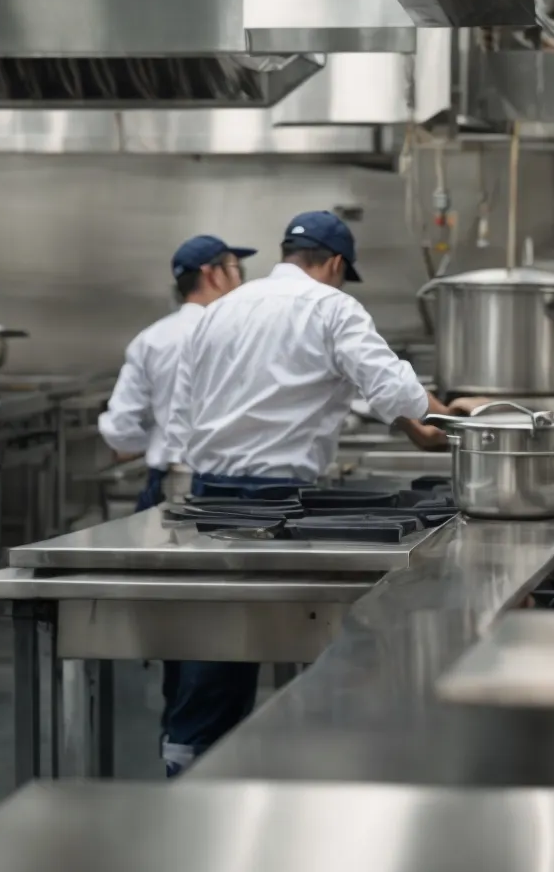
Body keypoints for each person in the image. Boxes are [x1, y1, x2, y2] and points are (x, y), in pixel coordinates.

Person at [154, 211, 453, 775]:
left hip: (204, 495)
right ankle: (296, 765)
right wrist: (450, 420)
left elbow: (185, 411)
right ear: (336, 264)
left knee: (211, 649)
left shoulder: (219, 311)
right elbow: (397, 394)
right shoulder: (331, 306)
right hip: (279, 504)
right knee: (306, 641)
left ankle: (188, 768)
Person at [98, 235, 254, 512]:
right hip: (236, 485)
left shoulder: (152, 339)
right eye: (235, 269)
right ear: (212, 275)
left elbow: (120, 426)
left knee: (166, 553)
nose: (240, 279)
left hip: (168, 483)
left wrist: (160, 440)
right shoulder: (245, 334)